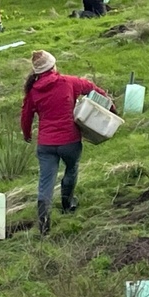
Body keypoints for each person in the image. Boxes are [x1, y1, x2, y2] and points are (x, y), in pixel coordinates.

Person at [20, 51, 112, 236]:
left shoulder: (33, 91)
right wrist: (111, 107)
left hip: (46, 144)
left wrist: (27, 135)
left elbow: (26, 115)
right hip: (69, 141)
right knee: (71, 169)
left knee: (45, 181)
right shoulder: (69, 82)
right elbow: (93, 89)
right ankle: (67, 203)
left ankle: (44, 222)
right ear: (53, 66)